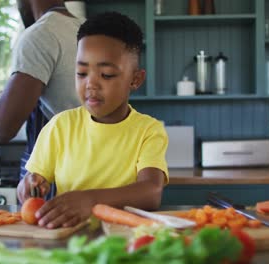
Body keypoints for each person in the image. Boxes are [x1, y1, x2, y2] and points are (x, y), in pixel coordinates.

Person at [17, 12, 169, 229]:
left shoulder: (148, 130)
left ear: (135, 79)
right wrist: (29, 186)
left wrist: (89, 200)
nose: (91, 84)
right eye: (81, 73)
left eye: (106, 75)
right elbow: (31, 182)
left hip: (124, 242)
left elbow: (151, 192)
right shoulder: (60, 126)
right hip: (67, 242)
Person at [0, 0, 83, 179]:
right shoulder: (85, 29)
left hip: (54, 177)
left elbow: (1, 128)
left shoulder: (40, 34)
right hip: (89, 168)